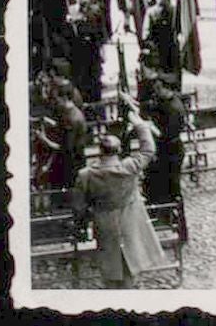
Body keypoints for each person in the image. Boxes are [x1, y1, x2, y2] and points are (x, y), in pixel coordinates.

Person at [71, 94, 168, 288]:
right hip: (129, 221)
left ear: (100, 151)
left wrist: (84, 219)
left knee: (110, 268)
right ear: (118, 150)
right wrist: (140, 125)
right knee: (128, 267)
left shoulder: (86, 175)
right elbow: (148, 149)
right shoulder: (129, 167)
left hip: (103, 223)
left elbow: (78, 207)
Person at [141, 75, 186, 206]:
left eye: (159, 88)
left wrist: (150, 126)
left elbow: (166, 134)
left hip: (171, 150)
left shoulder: (174, 108)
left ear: (167, 89)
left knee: (170, 185)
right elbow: (154, 108)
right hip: (166, 148)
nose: (156, 91)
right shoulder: (165, 101)